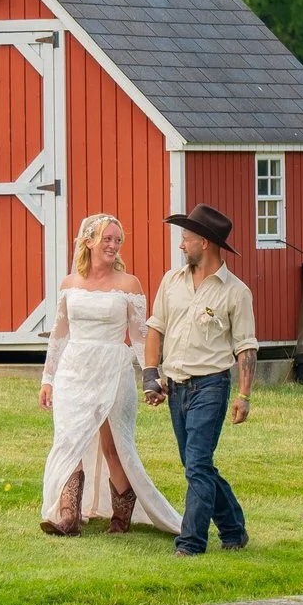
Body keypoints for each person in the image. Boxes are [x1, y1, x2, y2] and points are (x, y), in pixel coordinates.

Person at [38, 214, 184, 538]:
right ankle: (68, 518)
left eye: (117, 240)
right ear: (88, 241)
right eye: (107, 239)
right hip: (74, 370)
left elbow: (142, 335)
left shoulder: (128, 285)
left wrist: (151, 376)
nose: (113, 246)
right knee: (69, 439)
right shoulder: (69, 284)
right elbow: (59, 335)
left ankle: (121, 520)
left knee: (114, 446)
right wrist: (48, 378)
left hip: (112, 368)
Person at [143, 204, 256, 557]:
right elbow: (155, 328)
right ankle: (234, 529)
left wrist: (244, 395)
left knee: (196, 464)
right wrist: (151, 376)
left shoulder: (235, 292)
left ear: (204, 243)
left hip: (211, 386)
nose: (181, 245)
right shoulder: (170, 282)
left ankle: (191, 543)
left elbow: (246, 347)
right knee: (198, 465)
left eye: (186, 238)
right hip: (176, 388)